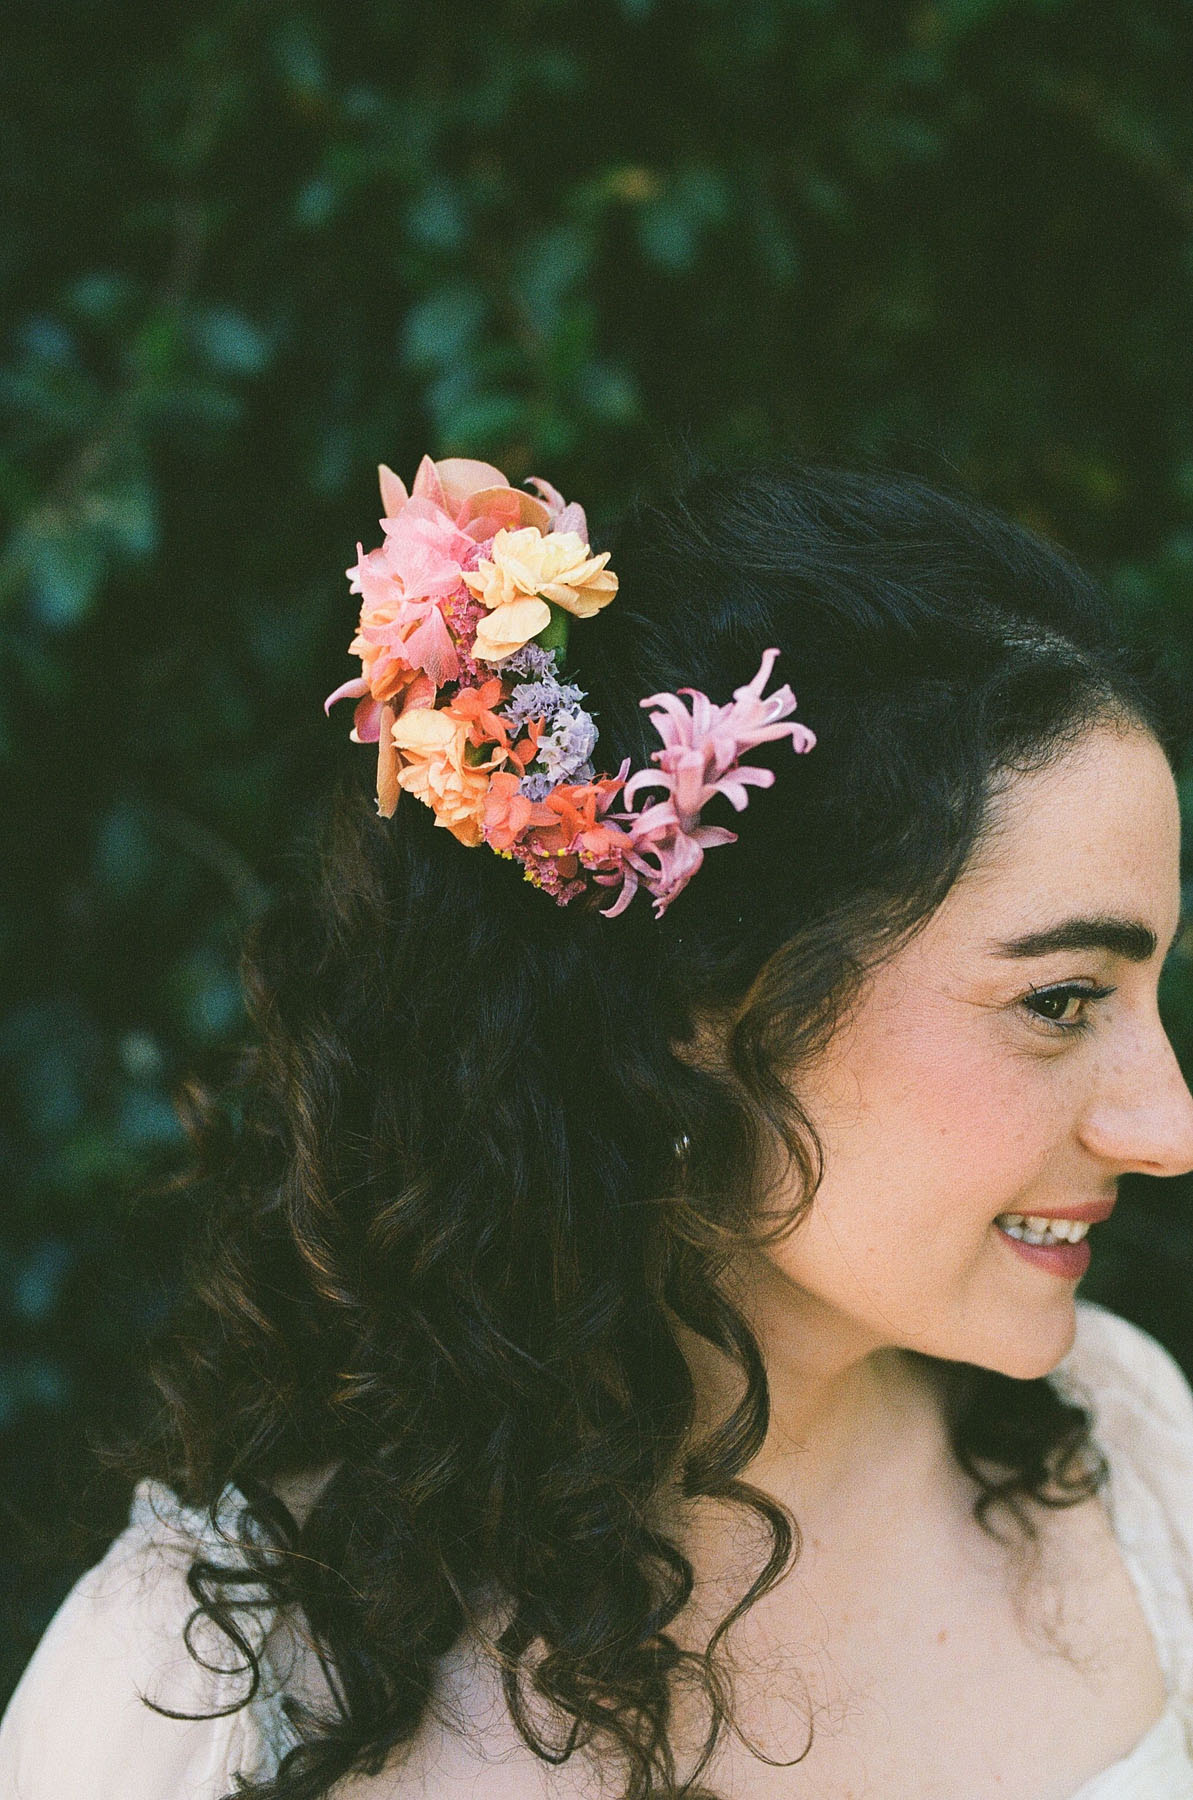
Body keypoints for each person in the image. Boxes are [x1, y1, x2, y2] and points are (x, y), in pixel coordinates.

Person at [4, 454, 1193, 1800]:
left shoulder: (1127, 1453)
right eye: (1056, 1000)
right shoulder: (212, 1686)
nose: (1168, 1126)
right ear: (702, 995)